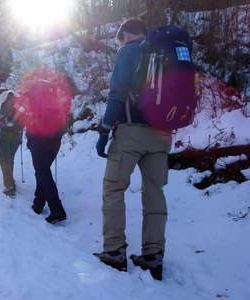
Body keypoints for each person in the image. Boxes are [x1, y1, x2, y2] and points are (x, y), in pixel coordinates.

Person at [94, 19, 172, 280]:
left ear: (126, 35)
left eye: (121, 39)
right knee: (154, 193)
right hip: (162, 135)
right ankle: (154, 255)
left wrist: (105, 130)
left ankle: (115, 251)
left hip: (131, 132)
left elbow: (117, 93)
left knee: (113, 188)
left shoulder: (129, 50)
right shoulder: (167, 53)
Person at [13, 68, 72, 224]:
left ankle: (57, 209)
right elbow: (66, 110)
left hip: (38, 138)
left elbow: (19, 113)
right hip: (56, 137)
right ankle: (38, 204)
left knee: (42, 172)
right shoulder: (55, 91)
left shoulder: (29, 94)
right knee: (43, 171)